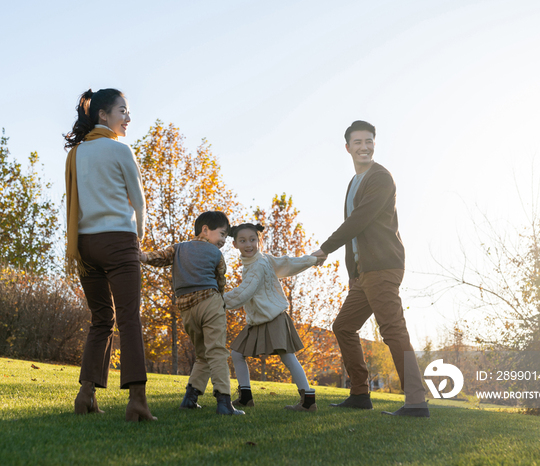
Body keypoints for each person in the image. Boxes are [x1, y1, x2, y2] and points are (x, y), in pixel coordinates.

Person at [312, 120, 429, 417]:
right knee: (343, 326)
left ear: (374, 144)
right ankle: (361, 394)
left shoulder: (380, 178)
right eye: (358, 142)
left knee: (392, 330)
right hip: (364, 273)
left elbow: (358, 222)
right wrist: (353, 273)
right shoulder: (354, 183)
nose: (364, 147)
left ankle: (416, 401)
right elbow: (356, 236)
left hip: (383, 266)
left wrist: (325, 248)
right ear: (348, 147)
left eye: (369, 141)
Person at [64, 88, 155, 422]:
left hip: (84, 245)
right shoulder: (120, 149)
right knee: (129, 318)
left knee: (101, 319)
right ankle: (137, 402)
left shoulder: (76, 153)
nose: (128, 118)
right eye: (123, 111)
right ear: (103, 114)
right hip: (119, 241)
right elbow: (139, 201)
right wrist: (138, 239)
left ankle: (85, 395)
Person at [140, 211, 244, 415]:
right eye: (222, 234)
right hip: (210, 303)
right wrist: (220, 303)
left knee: (202, 355)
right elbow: (220, 281)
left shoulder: (178, 248)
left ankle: (190, 398)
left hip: (187, 310)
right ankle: (224, 402)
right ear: (205, 230)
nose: (223, 240)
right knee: (216, 352)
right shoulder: (217, 255)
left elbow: (159, 257)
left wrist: (142, 256)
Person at [224, 223, 321, 412]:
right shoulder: (261, 260)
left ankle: (308, 399)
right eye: (243, 241)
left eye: (252, 239)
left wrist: (217, 301)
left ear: (259, 240)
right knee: (237, 353)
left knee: (287, 356)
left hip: (274, 317)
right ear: (235, 244)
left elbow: (245, 291)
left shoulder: (259, 264)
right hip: (258, 320)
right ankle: (245, 397)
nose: (249, 244)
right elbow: (287, 264)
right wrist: (311, 260)